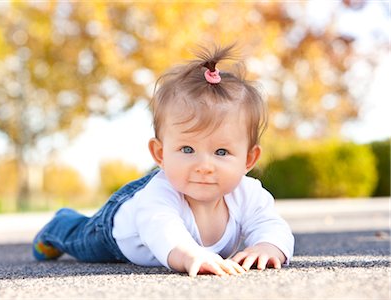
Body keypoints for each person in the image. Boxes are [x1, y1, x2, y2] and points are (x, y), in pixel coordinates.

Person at [33, 44, 294, 277]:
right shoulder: (158, 195)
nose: (204, 166)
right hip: (117, 231)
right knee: (80, 241)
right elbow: (162, 228)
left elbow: (270, 224)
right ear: (160, 154)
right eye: (188, 149)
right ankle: (59, 224)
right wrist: (190, 254)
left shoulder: (247, 194)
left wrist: (268, 246)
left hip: (165, 187)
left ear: (249, 159)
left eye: (222, 152)